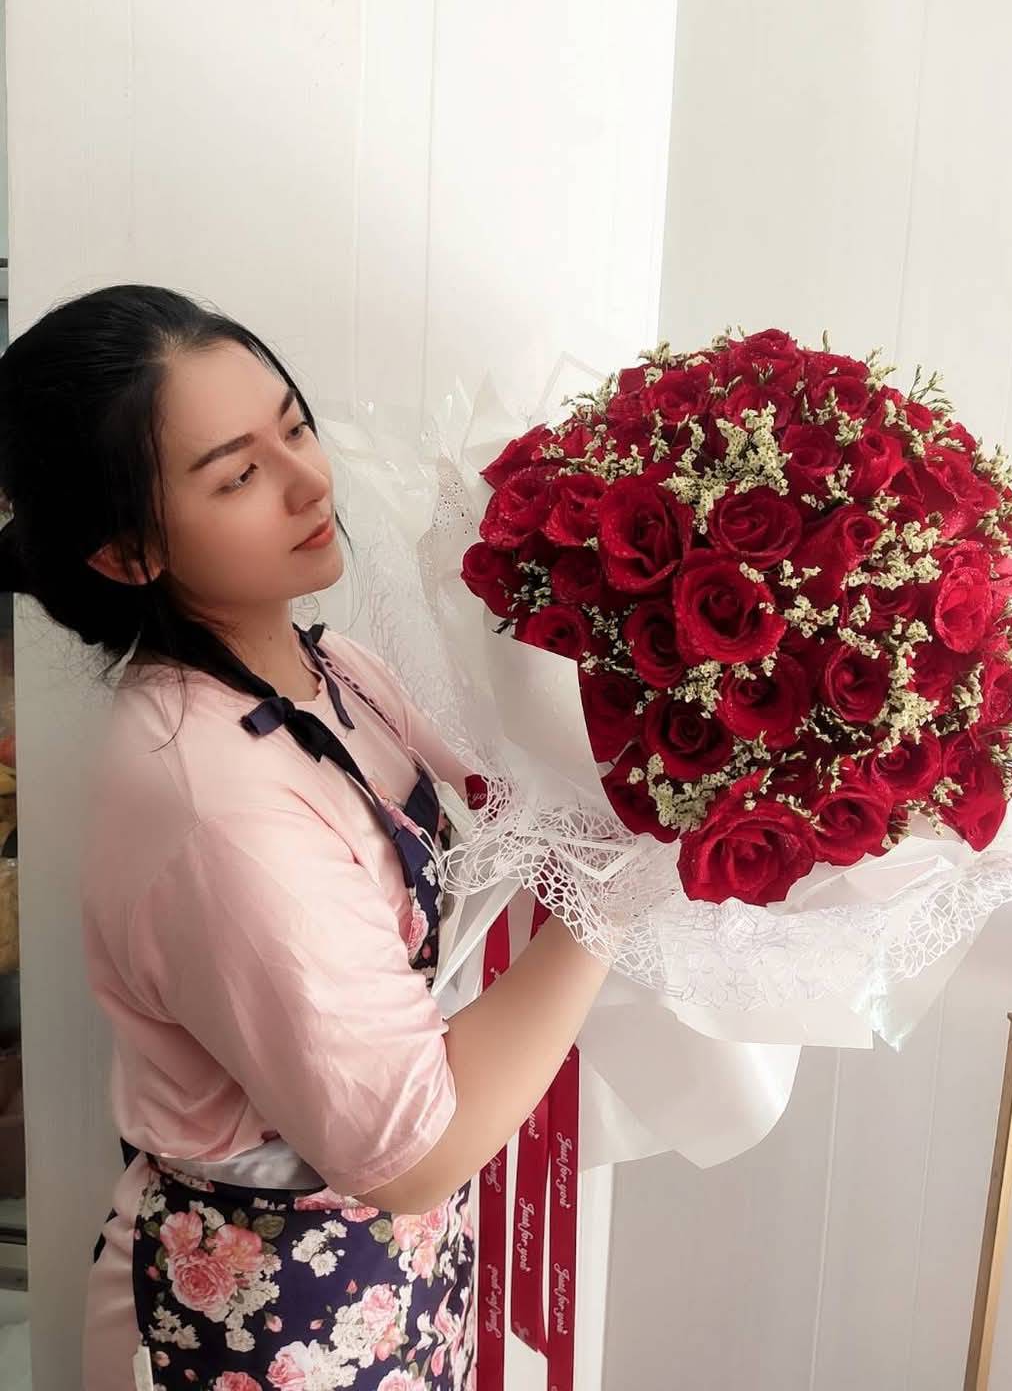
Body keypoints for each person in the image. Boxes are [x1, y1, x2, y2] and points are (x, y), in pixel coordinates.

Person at [0, 284, 610, 1390]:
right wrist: (623, 896)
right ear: (128, 553)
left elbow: (508, 817)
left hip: (384, 1275)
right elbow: (414, 1155)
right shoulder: (211, 803)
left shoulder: (339, 672)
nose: (309, 481)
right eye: (237, 475)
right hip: (261, 1312)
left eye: (293, 426)